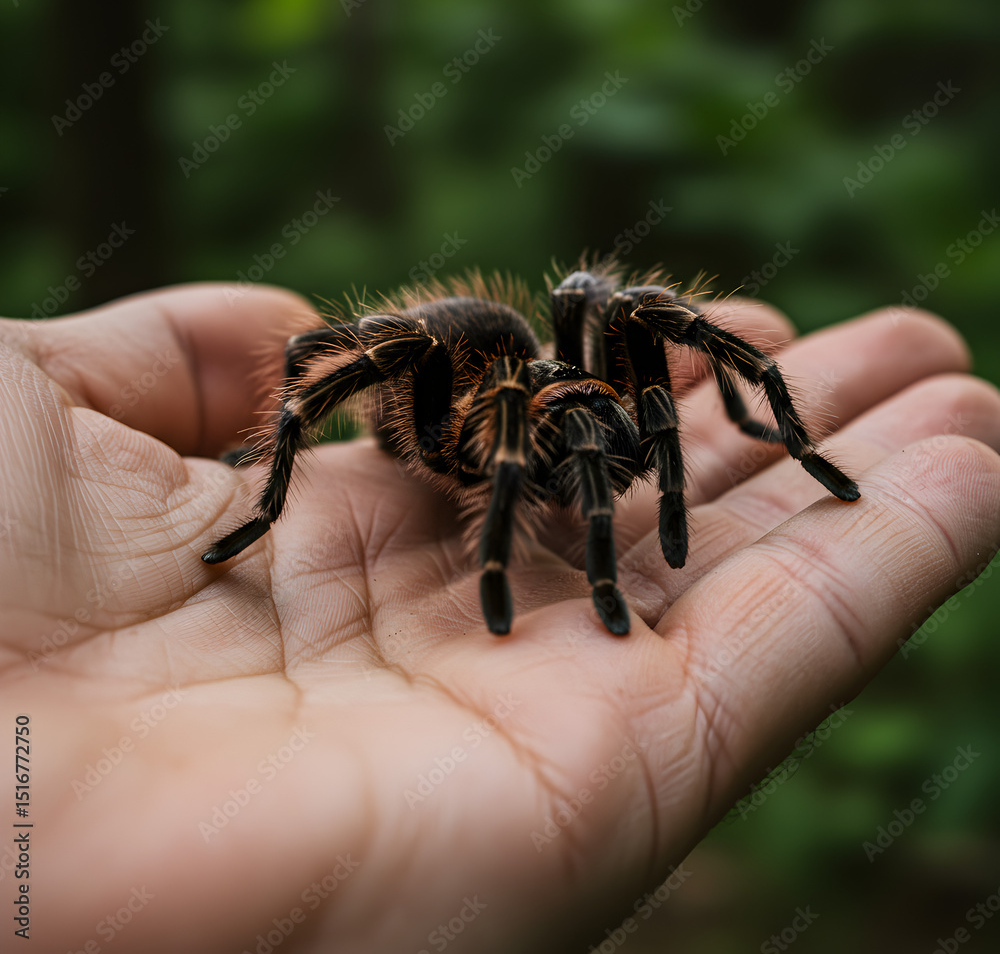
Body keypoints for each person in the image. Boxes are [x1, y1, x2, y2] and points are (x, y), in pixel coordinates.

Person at [2, 283, 998, 953]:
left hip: (541, 403)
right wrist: (269, 496)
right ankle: (325, 513)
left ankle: (748, 436)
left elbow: (664, 344)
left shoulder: (612, 380)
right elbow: (320, 364)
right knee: (474, 356)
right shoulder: (472, 398)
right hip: (438, 431)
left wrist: (751, 420)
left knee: (607, 299)